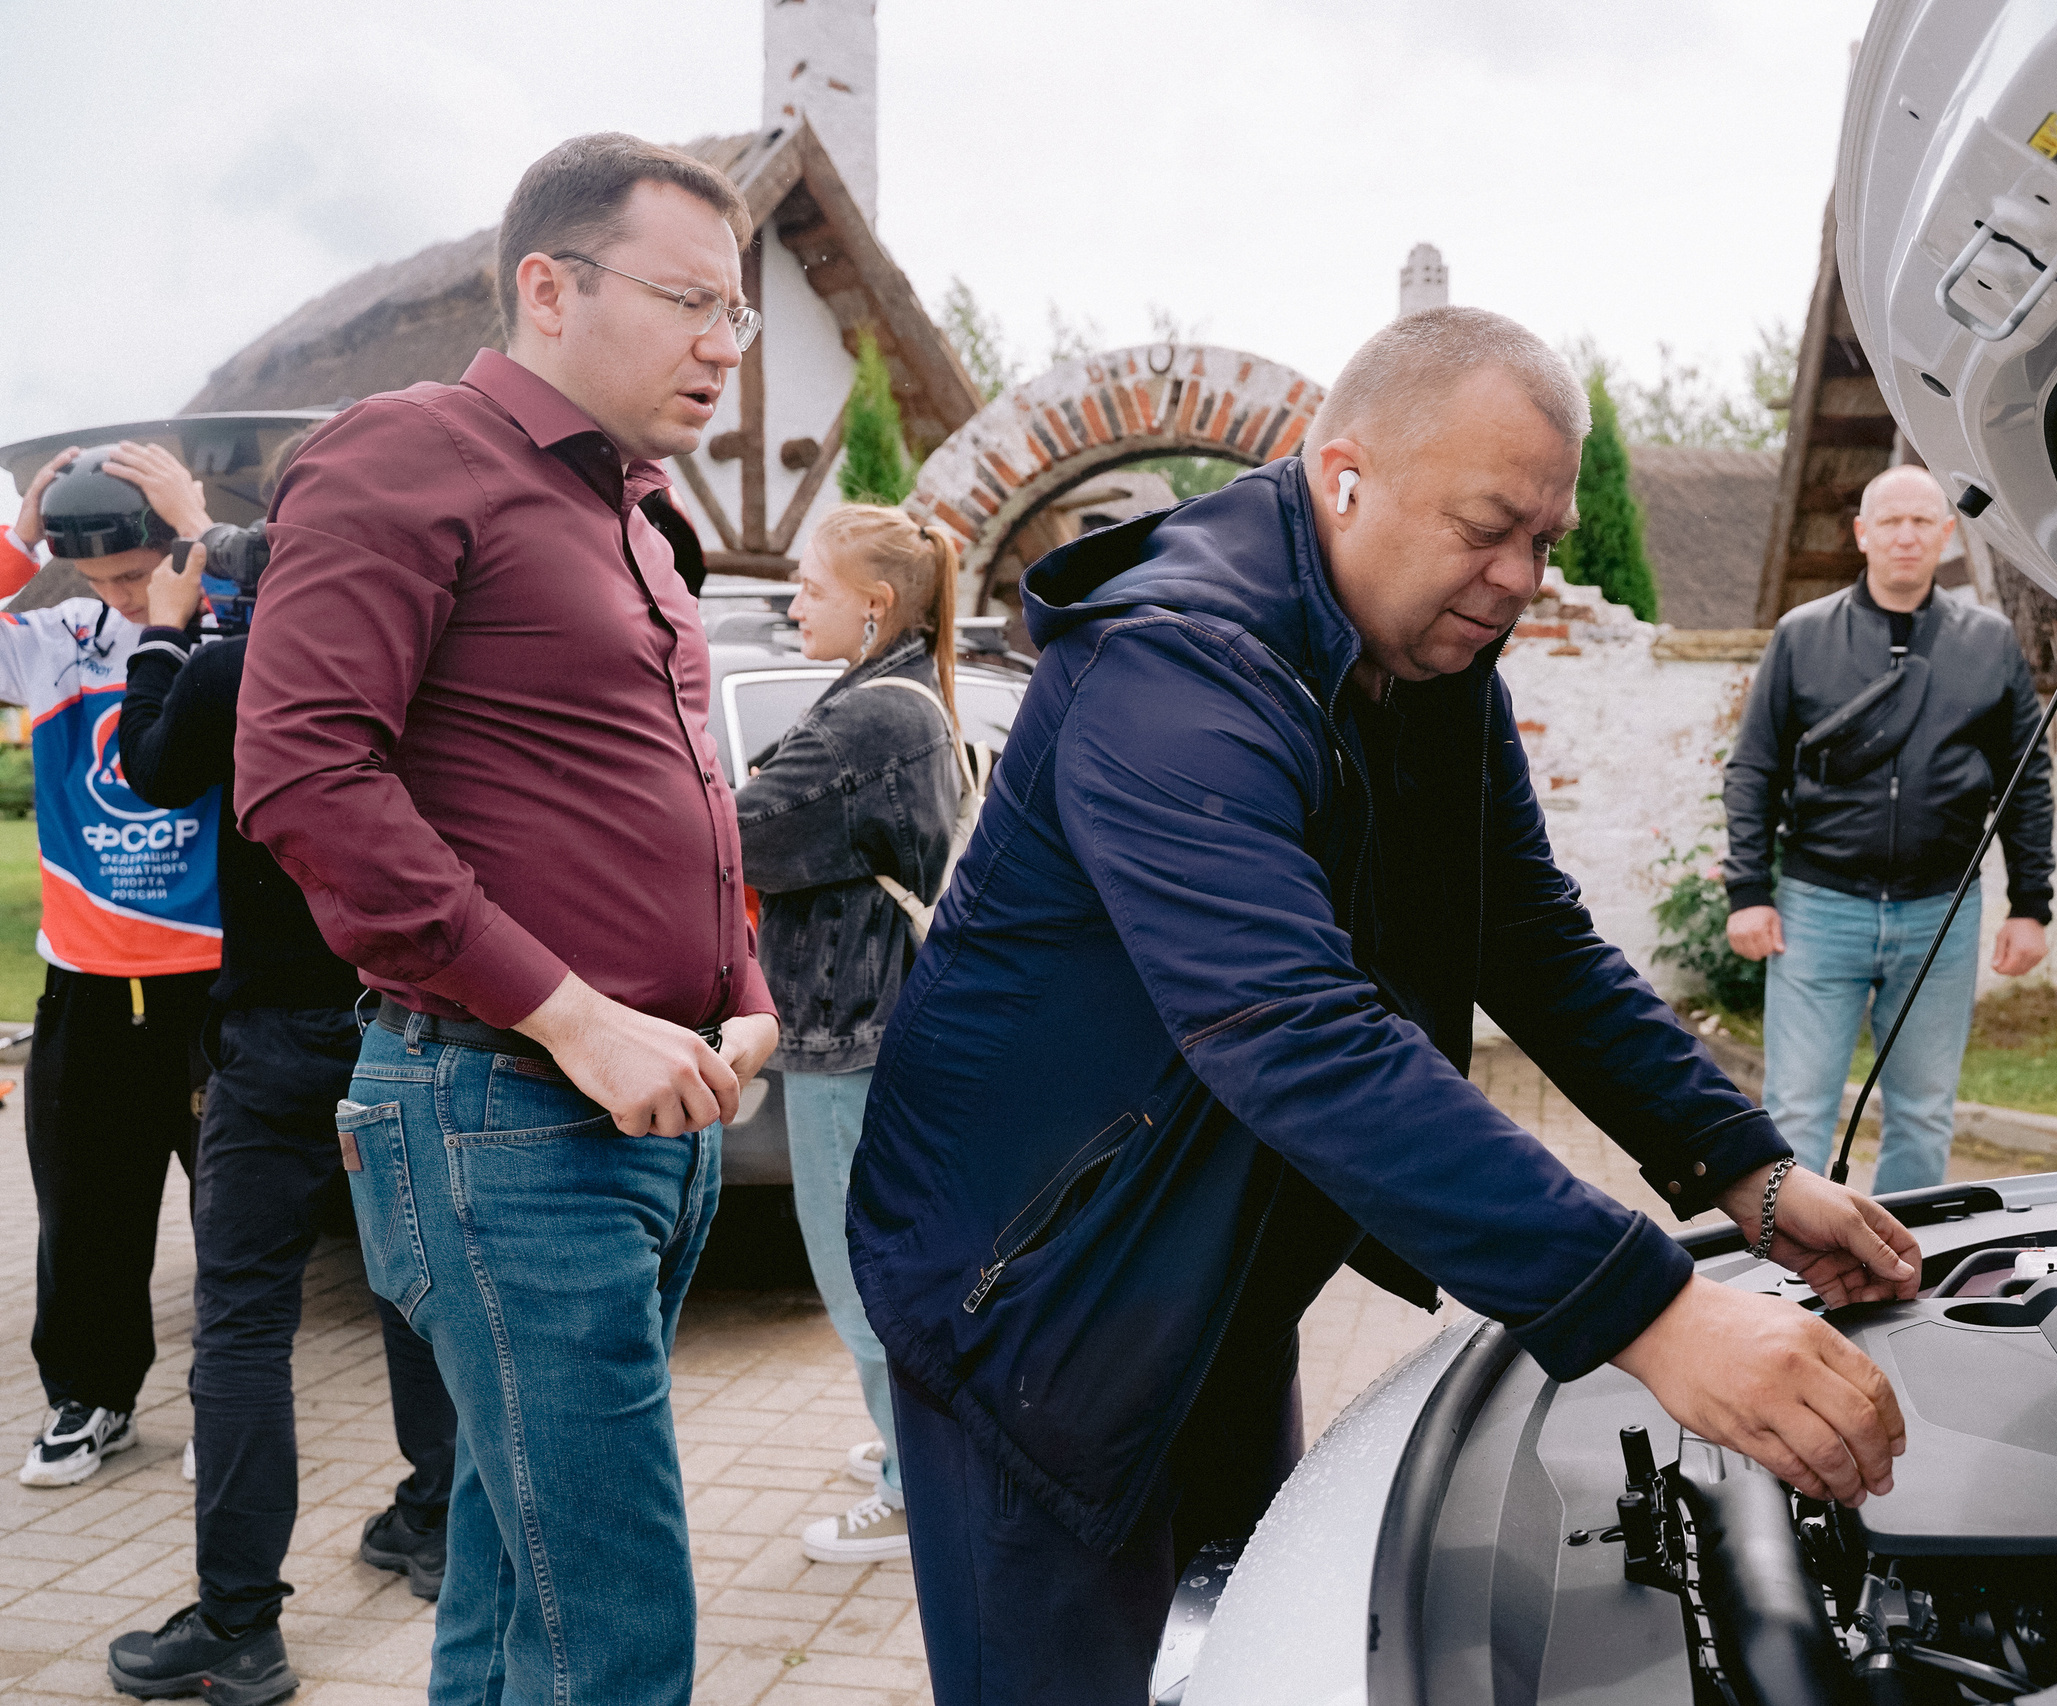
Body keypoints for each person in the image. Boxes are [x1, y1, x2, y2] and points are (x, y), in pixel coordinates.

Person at [847, 306, 1922, 1704]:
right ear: (1344, 477)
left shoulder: (1429, 660)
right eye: (1490, 526)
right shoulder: (1169, 671)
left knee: (1249, 1658)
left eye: (1543, 537)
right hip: (1031, 1302)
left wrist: (1749, 1169)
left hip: (1208, 1275)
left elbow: (1528, 939)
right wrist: (1656, 1310)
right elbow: (1299, 1034)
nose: (1523, 575)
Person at [233, 133, 780, 1706]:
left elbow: (678, 786)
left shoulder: (635, 510)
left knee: (522, 1562)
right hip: (506, 1114)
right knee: (608, 1626)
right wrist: (581, 1016)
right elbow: (305, 776)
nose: (720, 346)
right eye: (690, 302)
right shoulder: (408, 453)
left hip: (648, 1114)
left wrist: (733, 982)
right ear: (548, 287)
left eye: (735, 315)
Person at [102, 449, 459, 1703]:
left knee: (244, 1317)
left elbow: (149, 764)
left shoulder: (236, 666)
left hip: (274, 1037)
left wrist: (159, 628)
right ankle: (436, 1516)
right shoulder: (443, 660)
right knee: (412, 1281)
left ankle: (240, 1624)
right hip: (418, 1019)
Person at [1721, 464, 2055, 1193]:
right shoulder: (1800, 637)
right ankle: (1791, 1278)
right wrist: (1748, 890)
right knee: (1796, 1110)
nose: (1906, 536)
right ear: (1863, 535)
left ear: (1945, 534)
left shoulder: (1989, 643)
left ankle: (1904, 1267)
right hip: (1818, 907)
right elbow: (1753, 770)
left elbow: (2025, 782)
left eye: (1921, 522)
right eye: (1890, 522)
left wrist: (2032, 906)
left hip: (1942, 912)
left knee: (1925, 1113)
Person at [736, 504, 964, 1567]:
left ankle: (913, 1485)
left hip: (851, 1030)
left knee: (860, 1278)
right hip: (874, 1020)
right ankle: (908, 1448)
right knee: (884, 1267)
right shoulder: (898, 694)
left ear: (872, 604)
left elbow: (740, 831)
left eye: (809, 588)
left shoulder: (875, 717)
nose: (793, 604)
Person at [1, 443, 223, 1489]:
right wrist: (15, 543)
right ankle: (92, 1397)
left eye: (144, 570)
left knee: (235, 1212)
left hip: (220, 985)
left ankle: (229, 1405)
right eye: (107, 580)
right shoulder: (53, 644)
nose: (133, 596)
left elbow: (316, 607)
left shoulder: (227, 621)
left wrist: (200, 530)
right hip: (88, 983)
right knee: (85, 1208)